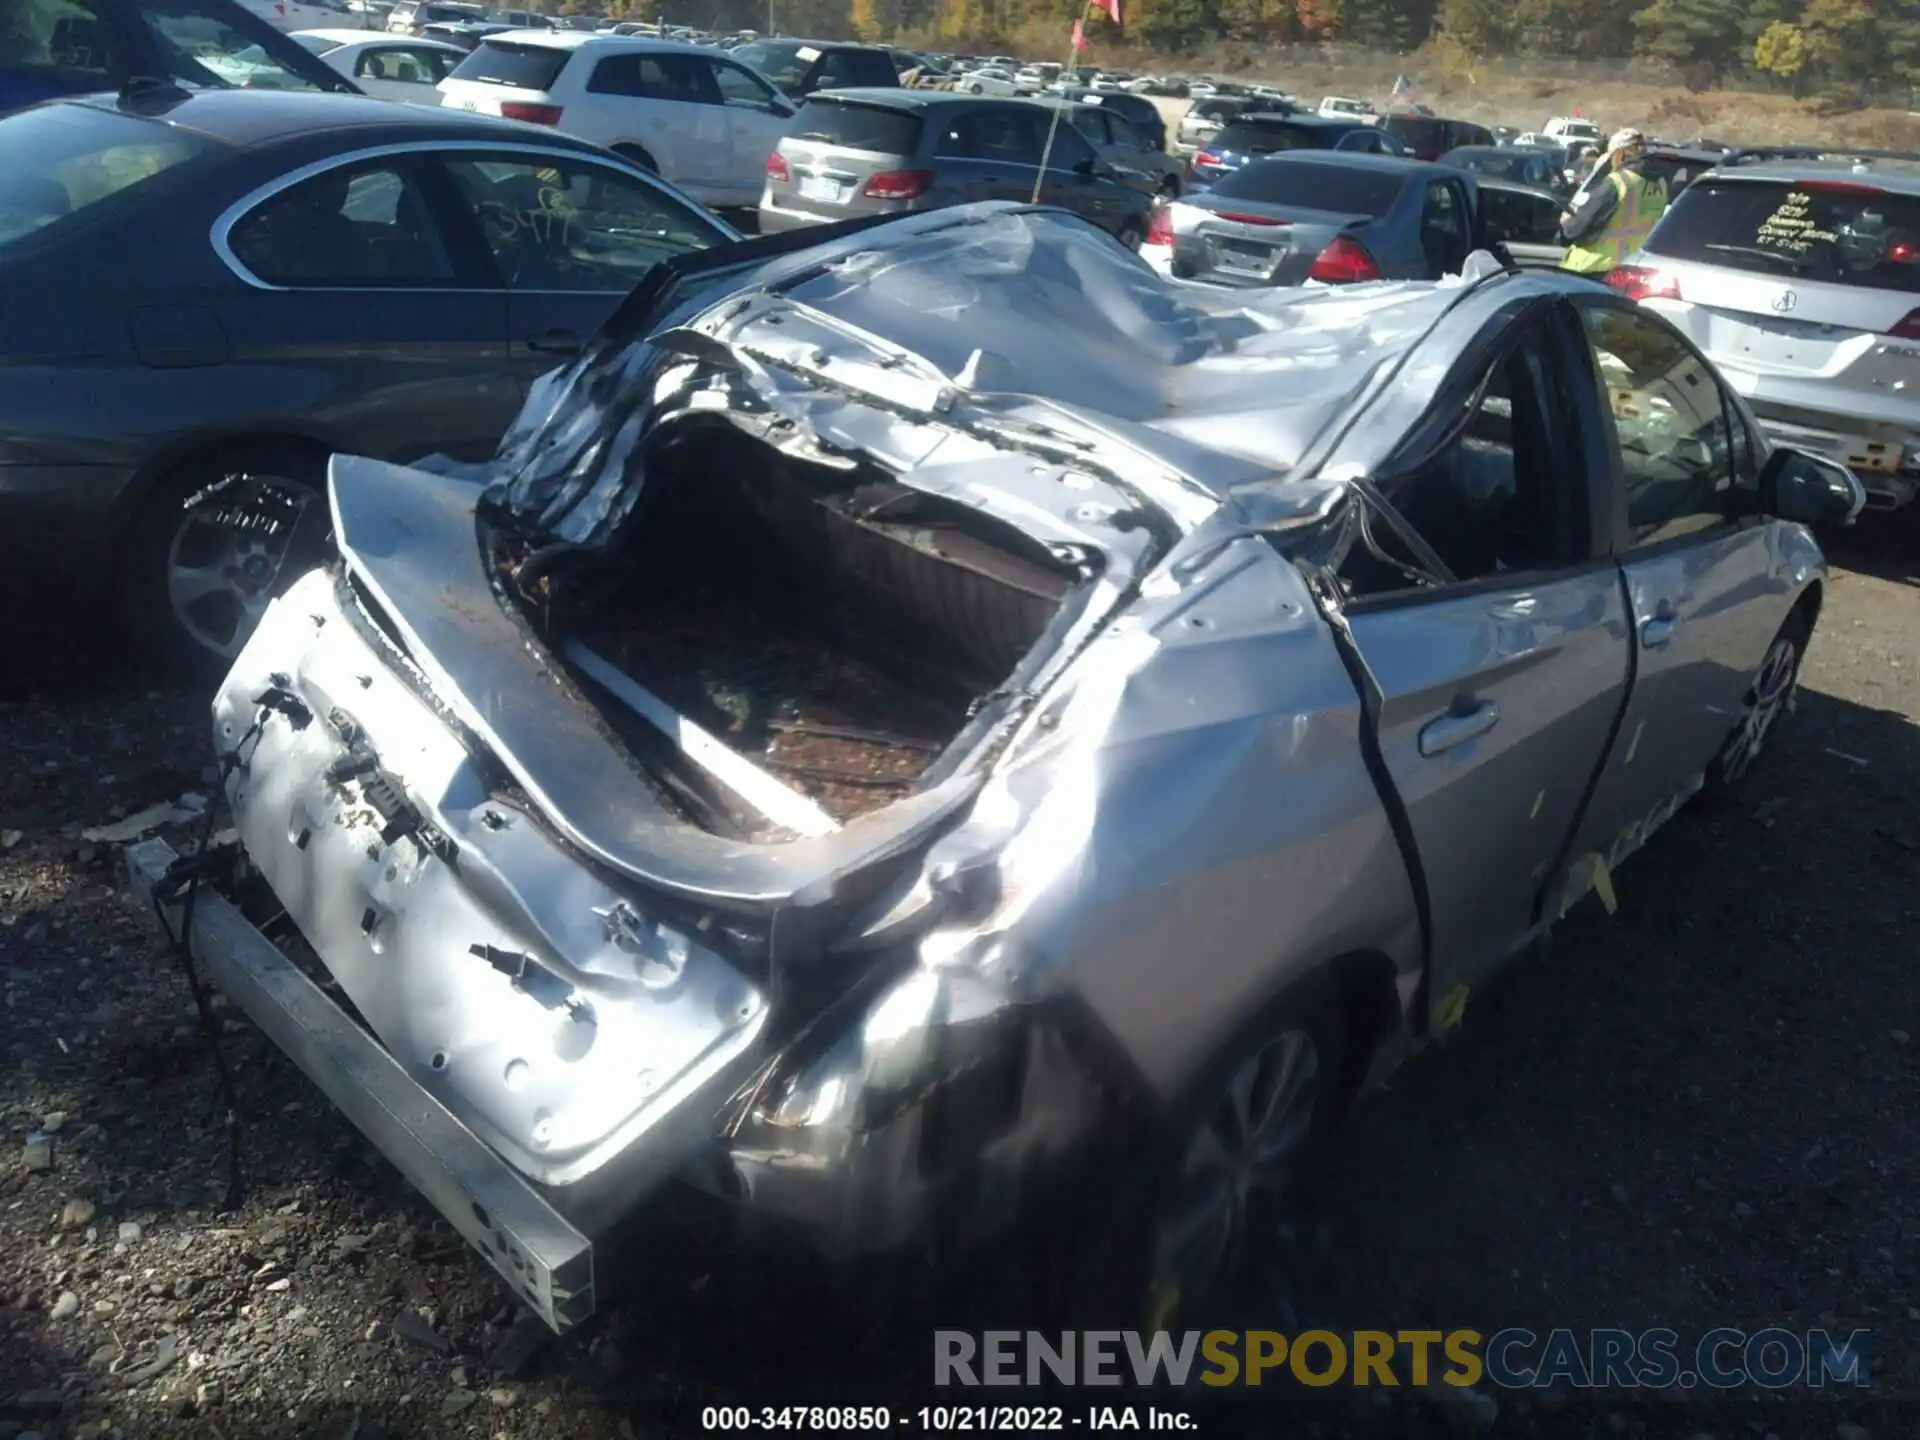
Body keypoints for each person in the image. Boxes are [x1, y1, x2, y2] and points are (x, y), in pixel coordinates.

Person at [1559, 128, 1670, 275]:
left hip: (1594, 268)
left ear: (1620, 153)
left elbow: (1578, 228)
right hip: (1632, 269)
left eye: (1612, 156)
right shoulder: (1661, 184)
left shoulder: (1617, 183)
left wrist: (1567, 223)